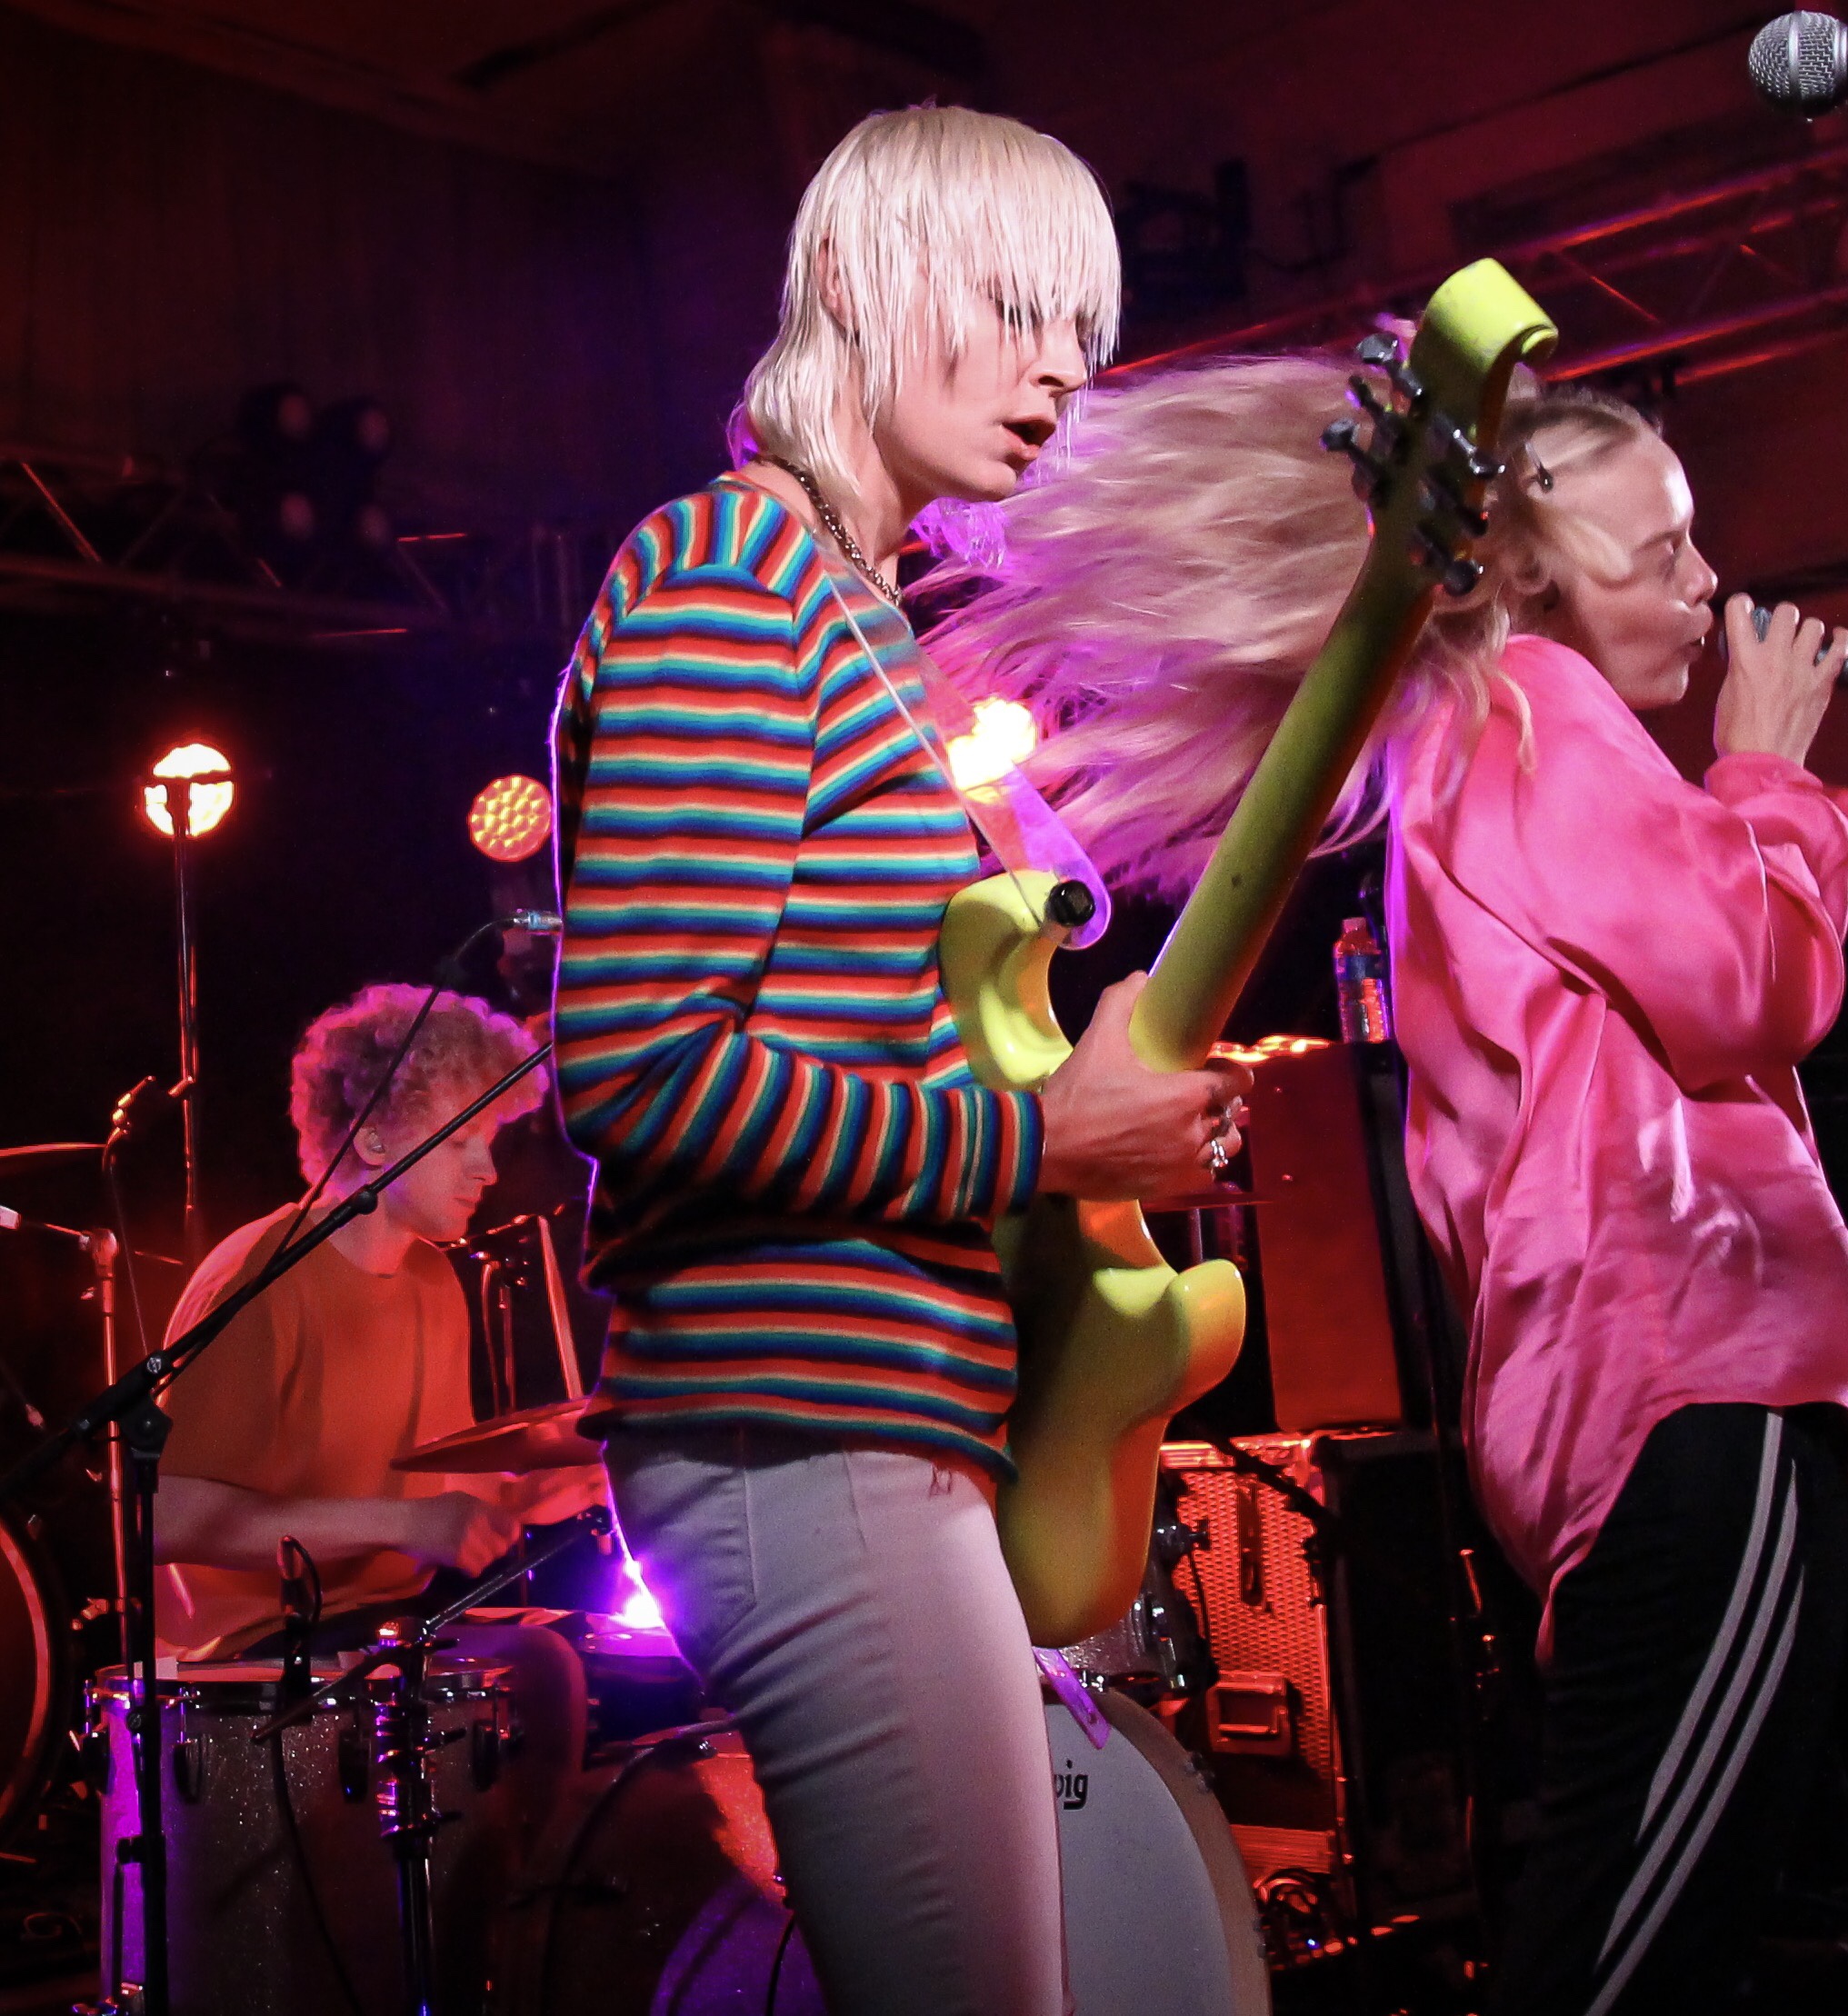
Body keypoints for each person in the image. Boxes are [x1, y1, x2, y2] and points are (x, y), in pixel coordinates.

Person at [934, 357, 1848, 2013]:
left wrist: (1844, 1333)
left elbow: (1636, 1126)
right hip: (1693, 1415)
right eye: (1663, 551)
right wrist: (1766, 769)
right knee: (1629, 1947)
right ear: (1537, 579)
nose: (1709, 583)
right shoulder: (1531, 711)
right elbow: (1748, 985)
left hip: (1732, 1385)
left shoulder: (1520, 749)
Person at [550, 105, 1249, 2016]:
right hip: (797, 1432)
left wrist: (1087, 1122)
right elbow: (636, 1068)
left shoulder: (859, 624)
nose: (1060, 374)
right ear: (858, 282)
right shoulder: (729, 576)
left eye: (1082, 334)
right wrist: (1043, 1144)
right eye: (1019, 310)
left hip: (883, 1429)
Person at [154, 984, 595, 1873]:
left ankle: (505, 1931)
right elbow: (169, 1521)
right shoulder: (264, 1276)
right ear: (375, 1140)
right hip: (247, 1655)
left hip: (382, 1628)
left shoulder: (434, 1280)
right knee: (535, 1673)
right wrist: (403, 1523)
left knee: (552, 1665)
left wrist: (551, 1486)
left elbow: (441, 1493)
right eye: (464, 1141)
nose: (487, 1170)